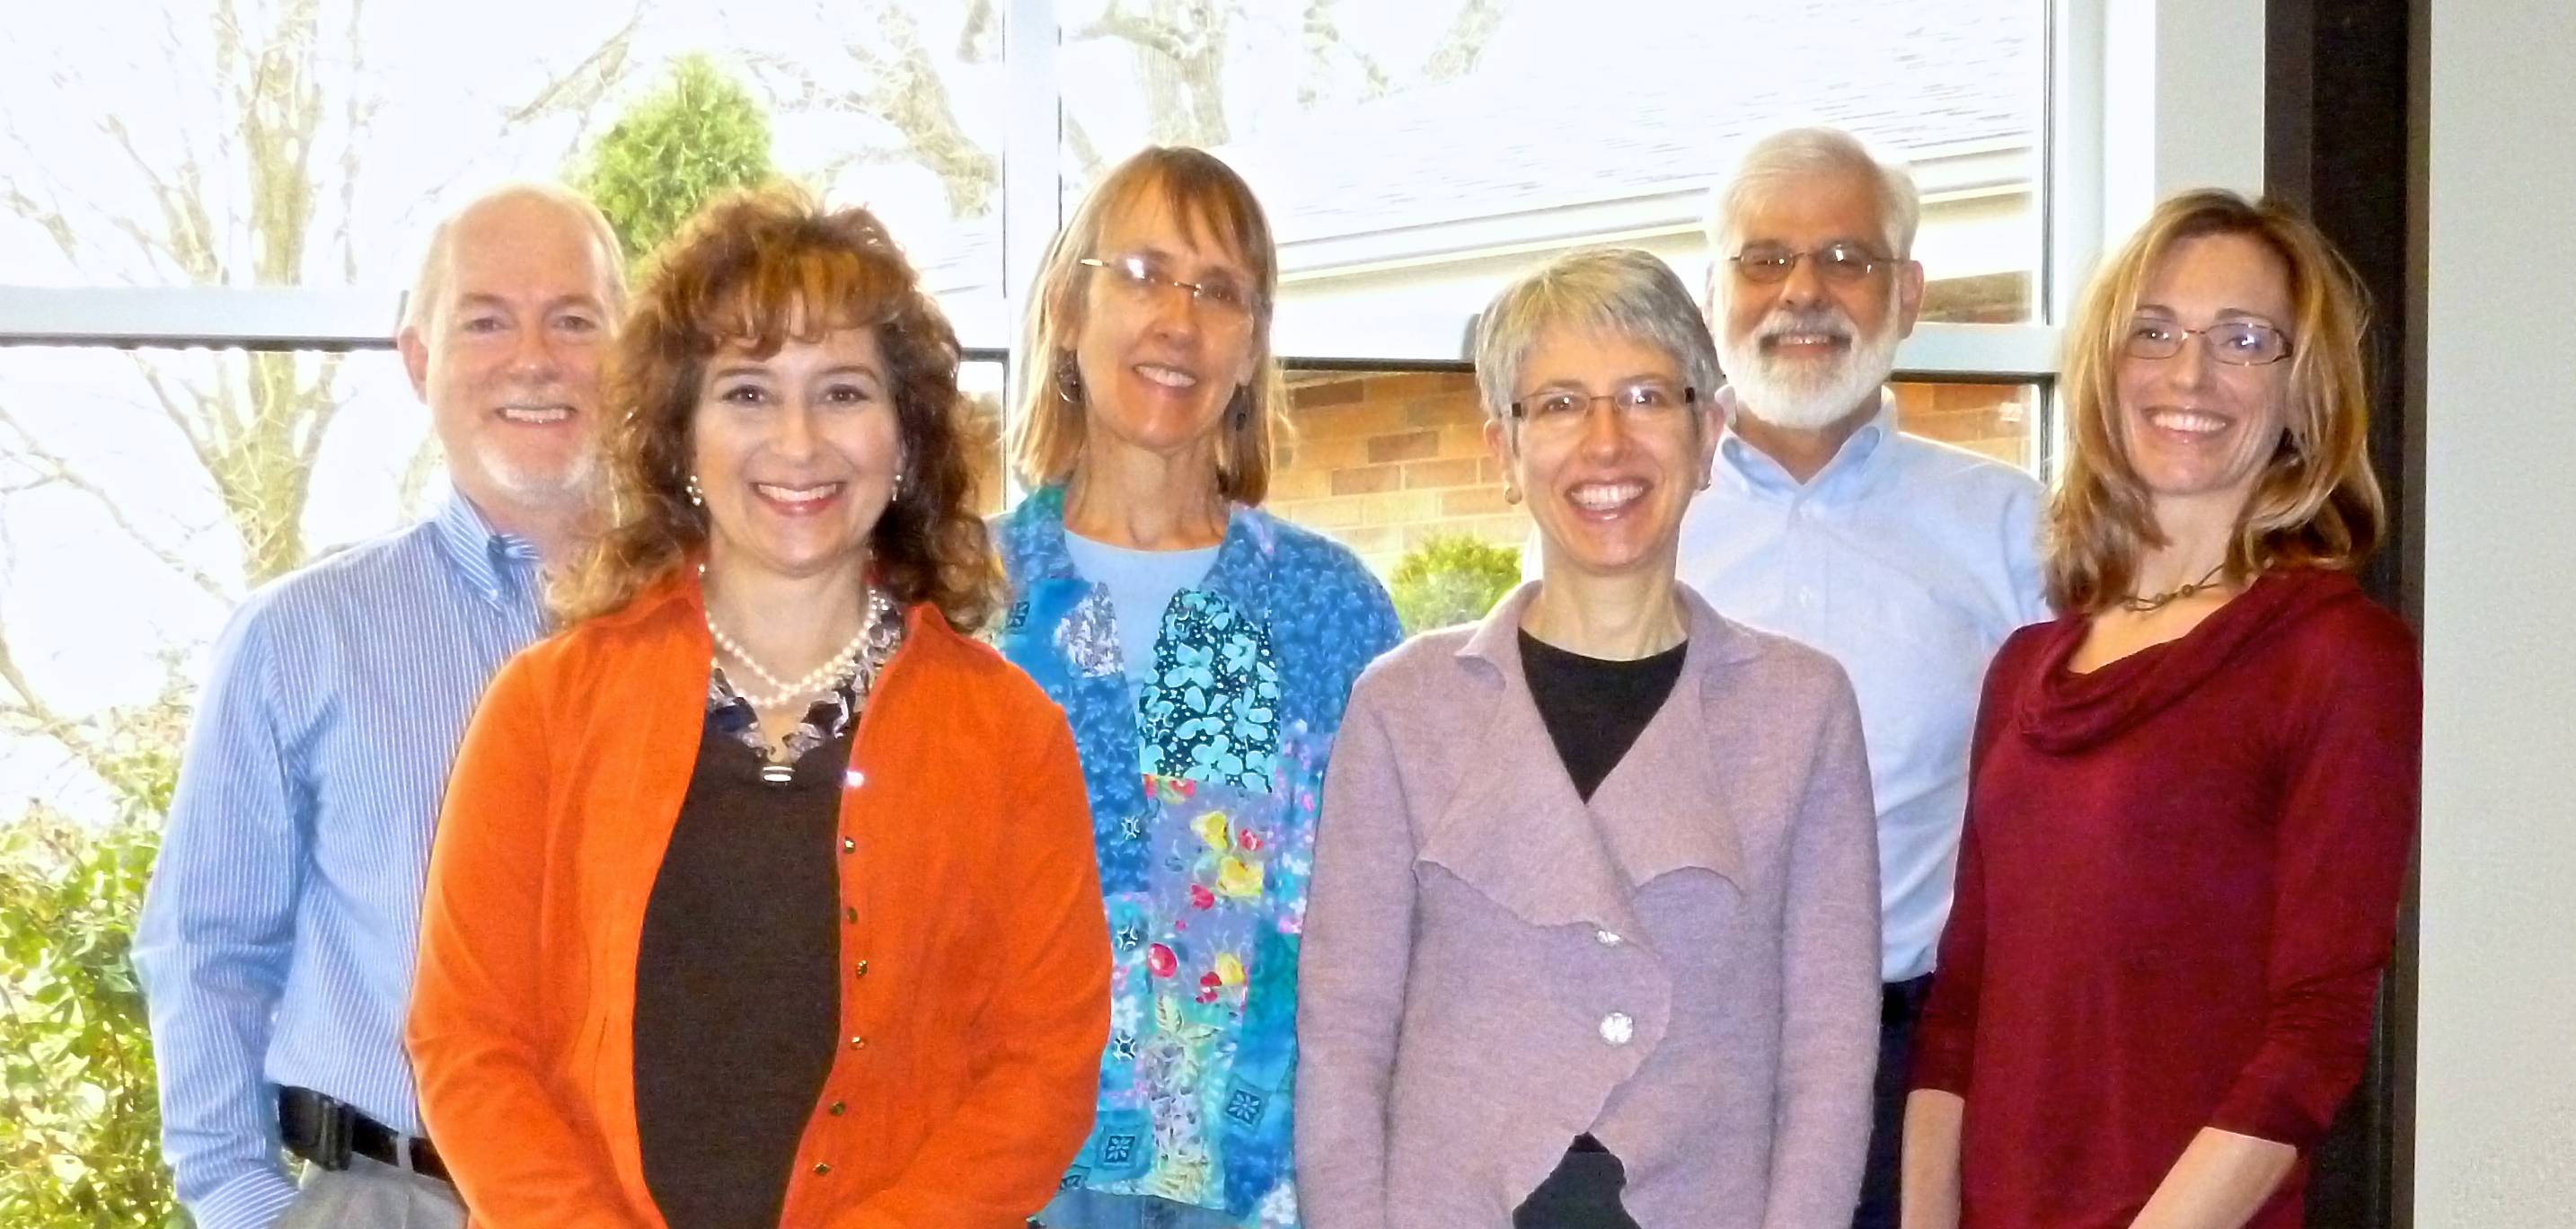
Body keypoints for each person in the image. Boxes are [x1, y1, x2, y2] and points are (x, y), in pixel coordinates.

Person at [405, 185, 1110, 1228]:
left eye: (842, 391)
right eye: (746, 392)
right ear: (680, 437)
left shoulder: (1010, 737)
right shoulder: (544, 709)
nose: (798, 440)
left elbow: (1043, 1067)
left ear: (906, 438)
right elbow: (468, 1040)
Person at [1297, 247, 1881, 1227]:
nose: (1606, 443)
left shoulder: (1802, 710)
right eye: (1561, 404)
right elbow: (1344, 1042)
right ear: (1505, 450)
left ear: (1709, 433)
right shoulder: (1404, 708)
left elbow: (1827, 1056)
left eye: (1646, 397)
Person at [1901, 190, 2419, 1229]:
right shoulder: (2026, 670)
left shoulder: (2334, 657)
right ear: (2107, 368)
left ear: (2302, 393)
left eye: (2243, 339)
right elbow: (1959, 1015)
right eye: (2155, 331)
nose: (2190, 374)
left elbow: (2313, 1037)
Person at [132, 182, 623, 1229]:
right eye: (485, 321)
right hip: (388, 1197)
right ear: (417, 360)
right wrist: (250, 1206)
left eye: (575, 320)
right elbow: (204, 948)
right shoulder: (299, 639)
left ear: (634, 358)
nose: (533, 358)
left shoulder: (730, 636)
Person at [993, 146, 1401, 1229]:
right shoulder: (963, 600)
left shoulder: (1323, 611)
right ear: (1068, 309)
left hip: (1266, 1192)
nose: (1178, 320)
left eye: (1220, 291)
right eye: (1141, 274)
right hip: (999, 1181)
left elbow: (1386, 934)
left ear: (1252, 345)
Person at [1681, 127, 2050, 1229]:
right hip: (1672, 1061)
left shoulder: (2013, 532)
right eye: (1764, 258)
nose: (1803, 291)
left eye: (1847, 257)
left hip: (1915, 1074)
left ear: (1908, 293)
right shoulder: (1633, 519)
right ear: (1713, 293)